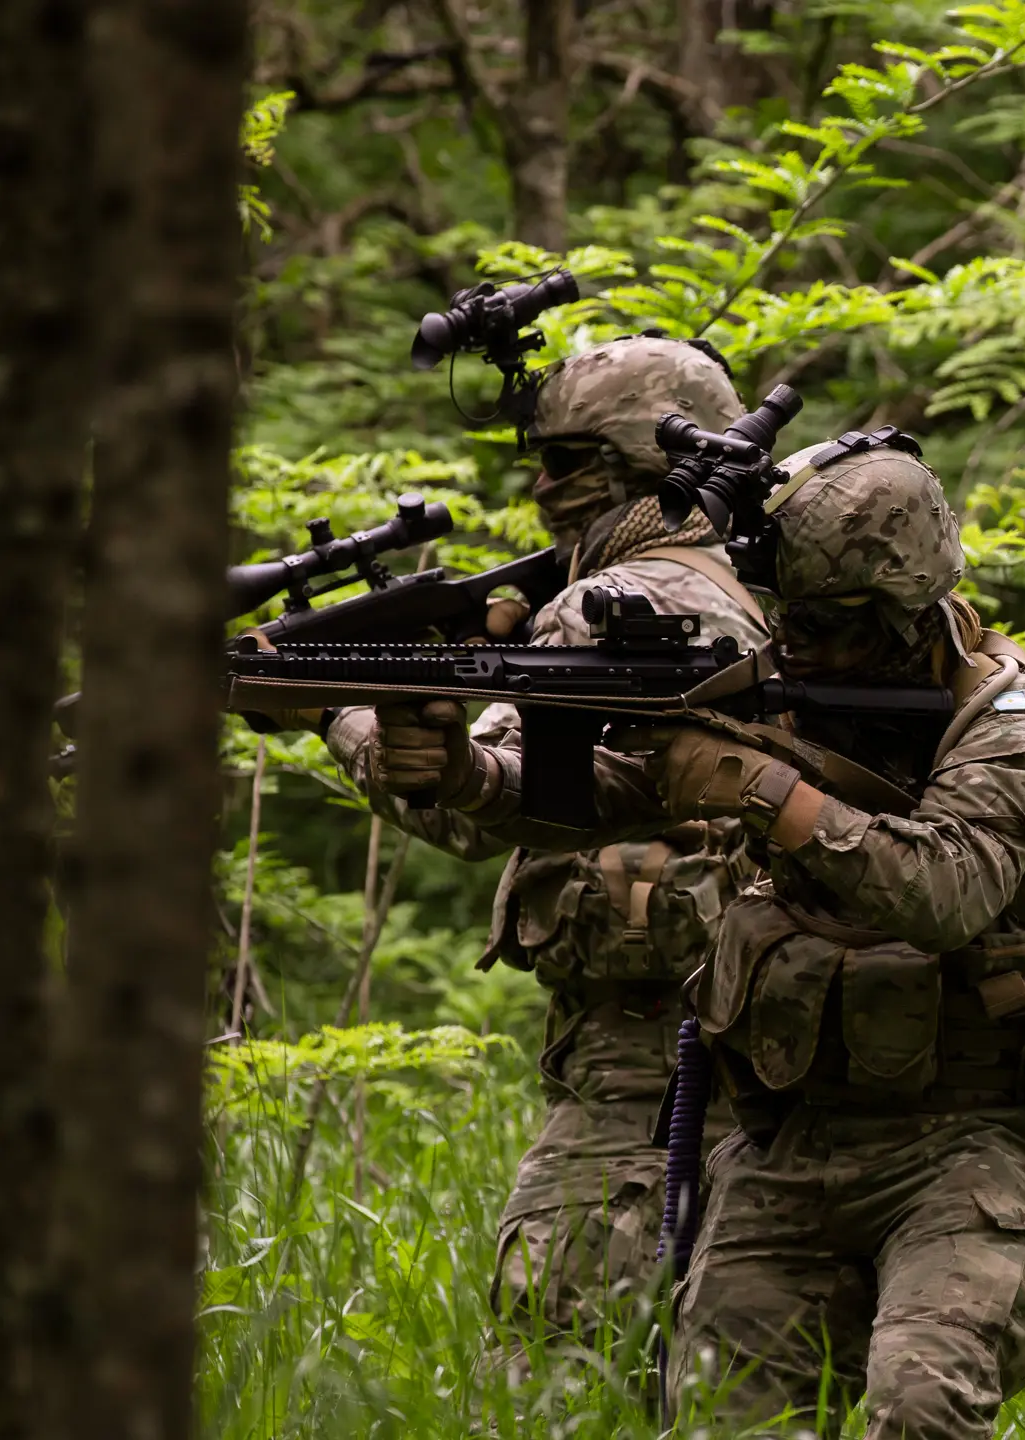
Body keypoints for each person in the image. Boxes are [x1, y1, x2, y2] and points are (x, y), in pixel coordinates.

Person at [351, 428, 1025, 1436]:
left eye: (830, 627)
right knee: (713, 1417)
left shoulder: (1009, 719)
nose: (799, 646)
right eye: (790, 620)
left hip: (961, 1141)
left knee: (921, 1401)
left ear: (908, 613)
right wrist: (468, 773)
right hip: (783, 1138)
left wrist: (763, 792)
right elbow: (609, 795)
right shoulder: (783, 687)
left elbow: (948, 886)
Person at [323, 335, 765, 1364]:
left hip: (642, 1055)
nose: (539, 486)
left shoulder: (605, 607)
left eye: (566, 463)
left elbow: (469, 812)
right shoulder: (762, 581)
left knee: (559, 1360)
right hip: (761, 1030)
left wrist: (338, 717)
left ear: (634, 468)